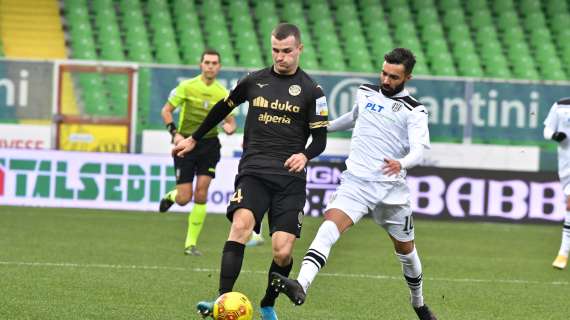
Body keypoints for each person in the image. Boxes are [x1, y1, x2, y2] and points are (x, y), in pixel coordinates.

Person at [173, 23, 328, 320]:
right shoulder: (254, 81)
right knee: (240, 227)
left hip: (290, 180)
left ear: (299, 50)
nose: (280, 57)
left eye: (286, 51)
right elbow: (221, 108)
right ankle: (221, 300)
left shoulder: (313, 91)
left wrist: (304, 155)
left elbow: (320, 139)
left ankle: (268, 302)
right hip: (254, 171)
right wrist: (194, 137)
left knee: (282, 252)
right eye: (275, 50)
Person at [270, 48, 438, 320]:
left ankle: (418, 303)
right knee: (327, 229)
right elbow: (353, 117)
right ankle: (301, 284)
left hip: (391, 191)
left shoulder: (414, 110)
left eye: (394, 77)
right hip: (356, 183)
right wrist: (321, 126)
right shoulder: (365, 91)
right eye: (384, 73)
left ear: (407, 77)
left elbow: (419, 149)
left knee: (406, 252)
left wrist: (402, 163)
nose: (386, 80)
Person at [159, 49, 236, 256]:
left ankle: (190, 244)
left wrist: (230, 127)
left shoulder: (223, 93)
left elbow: (230, 121)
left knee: (202, 191)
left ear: (219, 67)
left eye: (214, 63)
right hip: (185, 142)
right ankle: (172, 196)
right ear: (200, 65)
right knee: (184, 197)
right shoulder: (187, 86)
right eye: (207, 62)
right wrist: (174, 134)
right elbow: (166, 110)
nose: (210, 66)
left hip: (209, 145)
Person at [544, 97, 570, 270]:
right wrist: (554, 135)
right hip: (566, 165)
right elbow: (547, 129)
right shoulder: (560, 105)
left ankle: (563, 253)